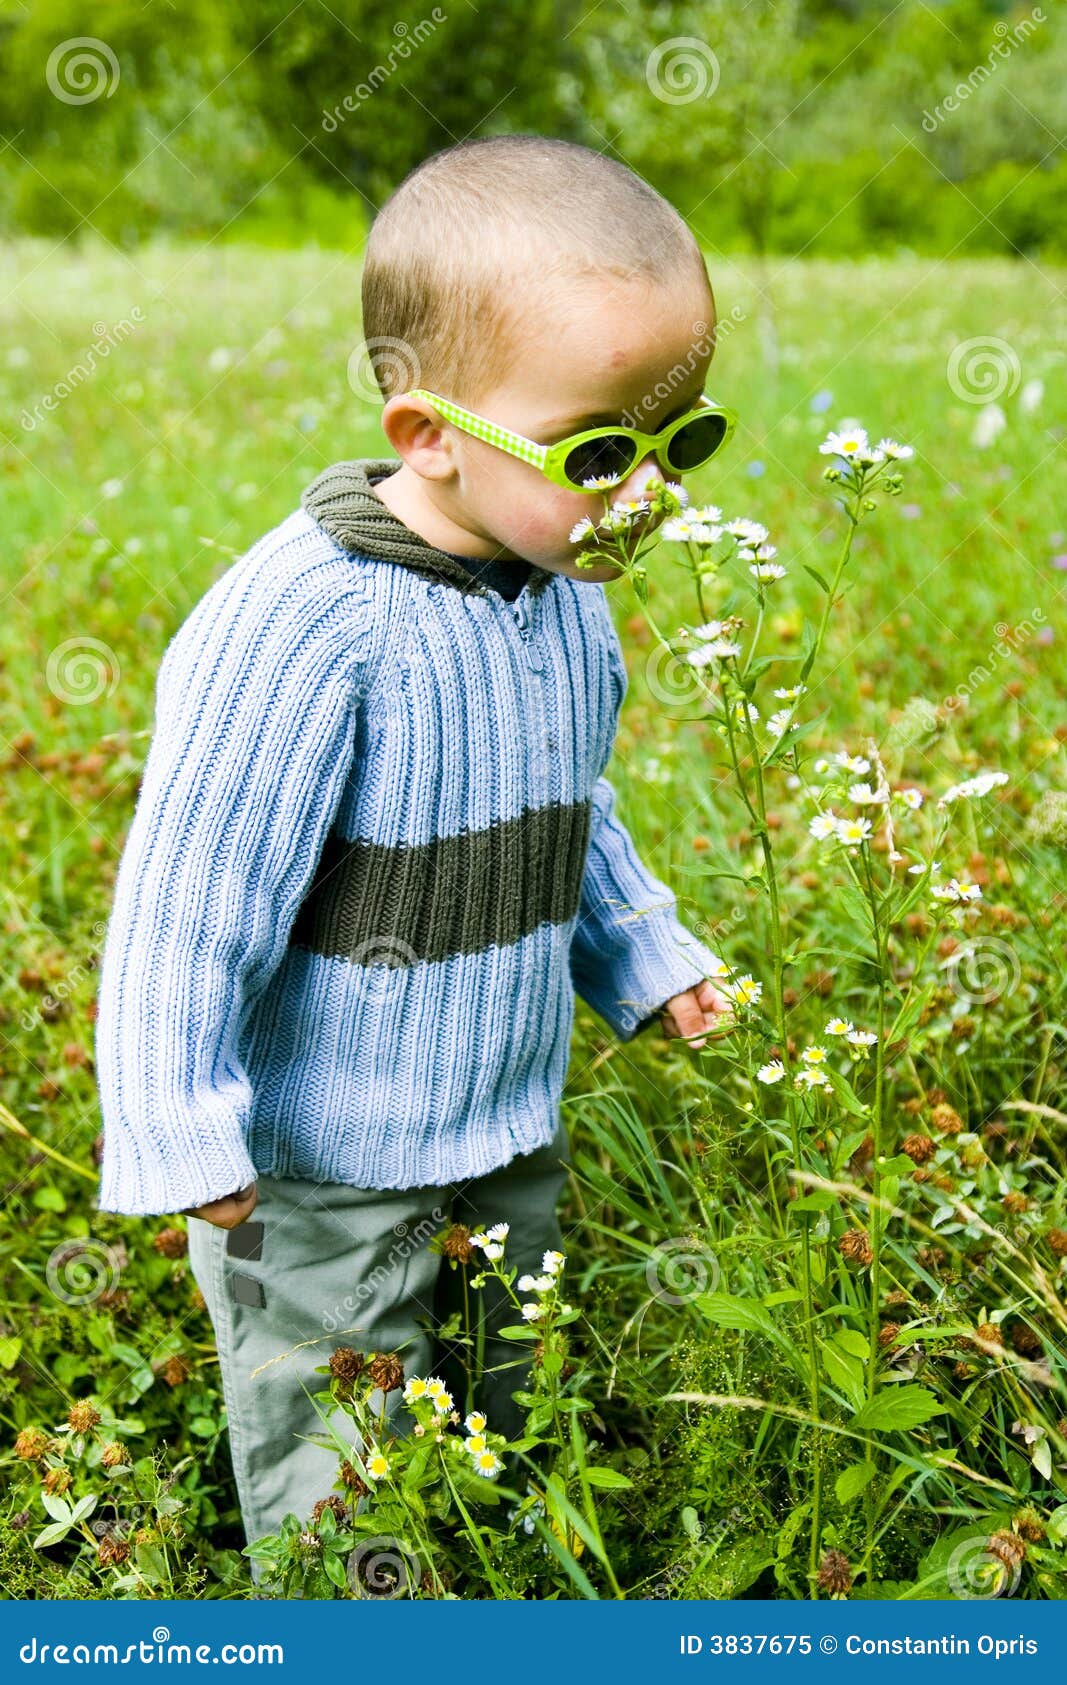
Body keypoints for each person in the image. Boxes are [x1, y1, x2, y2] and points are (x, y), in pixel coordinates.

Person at [93, 134, 735, 1552]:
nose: (648, 496)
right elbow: (190, 898)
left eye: (682, 439)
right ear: (429, 433)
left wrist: (642, 946)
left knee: (496, 1422)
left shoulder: (563, 589)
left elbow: (568, 804)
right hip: (319, 1172)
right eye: (603, 451)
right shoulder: (303, 629)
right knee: (351, 1492)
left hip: (504, 1129)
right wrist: (174, 1116)